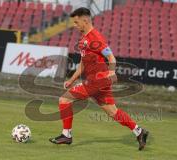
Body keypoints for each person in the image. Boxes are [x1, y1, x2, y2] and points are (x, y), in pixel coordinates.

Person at [49, 7, 149, 151]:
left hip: (97, 81)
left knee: (64, 99)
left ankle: (67, 135)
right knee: (112, 112)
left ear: (85, 20)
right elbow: (83, 63)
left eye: (77, 23)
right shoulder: (84, 39)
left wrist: (111, 72)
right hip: (97, 82)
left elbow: (111, 57)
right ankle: (139, 131)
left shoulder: (95, 38)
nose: (75, 26)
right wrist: (71, 79)